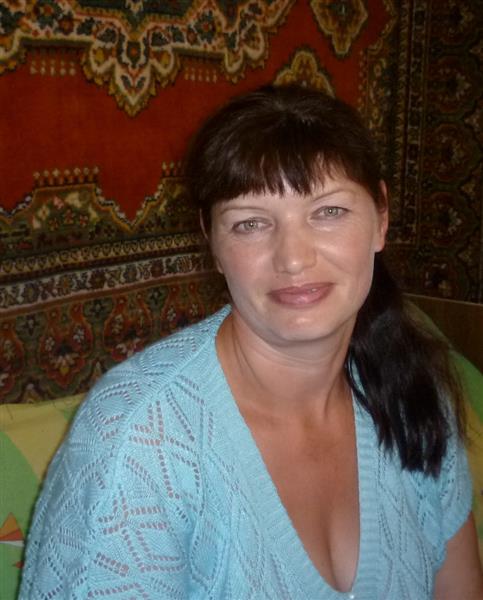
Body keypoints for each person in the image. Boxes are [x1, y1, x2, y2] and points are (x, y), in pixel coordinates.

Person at [20, 85, 483, 599]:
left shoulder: (414, 392)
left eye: (328, 212)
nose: (294, 258)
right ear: (213, 243)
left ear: (381, 219)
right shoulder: (137, 447)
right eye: (251, 223)